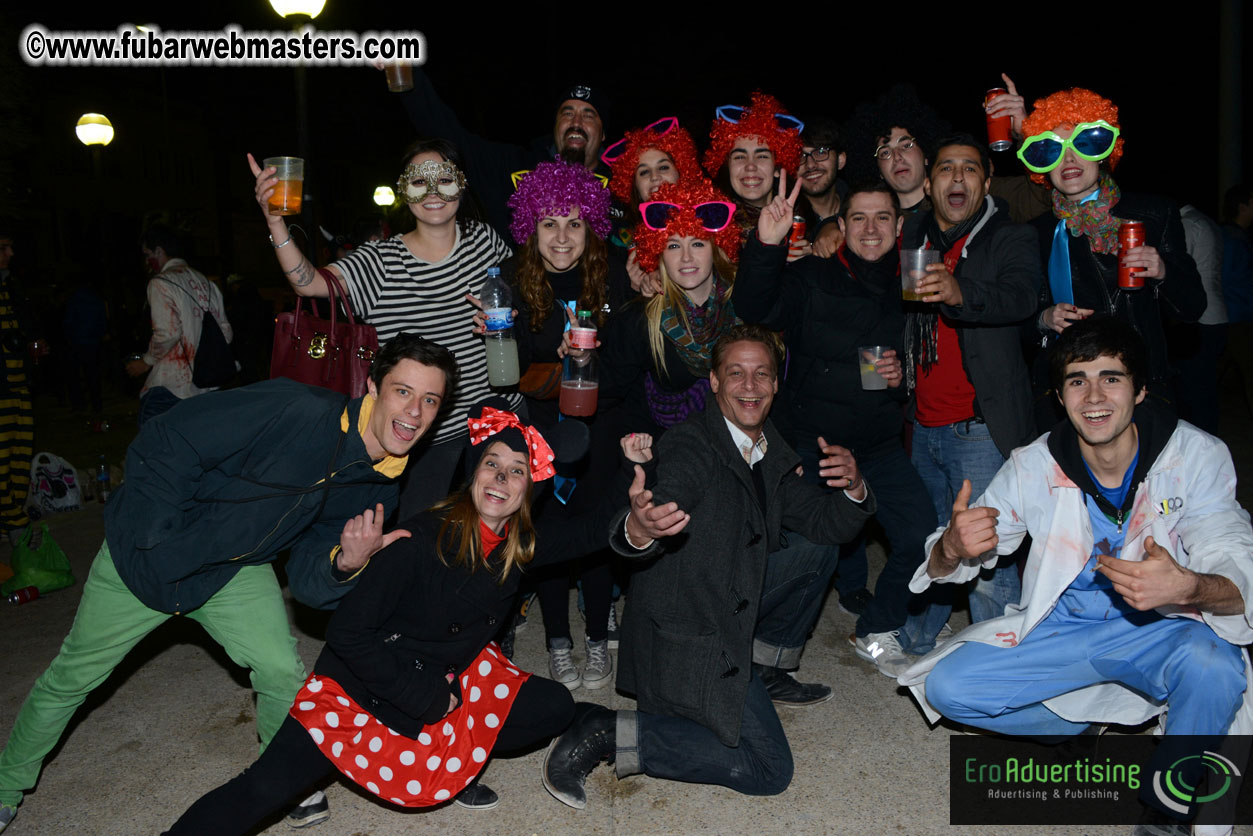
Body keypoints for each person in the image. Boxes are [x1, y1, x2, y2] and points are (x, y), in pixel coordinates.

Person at [0, 334, 459, 834]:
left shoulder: (379, 486)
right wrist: (160, 537)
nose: (414, 412)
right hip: (147, 558)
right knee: (71, 678)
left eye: (429, 400)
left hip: (236, 568)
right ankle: (5, 787)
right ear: (372, 385)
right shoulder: (297, 408)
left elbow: (308, 577)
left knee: (282, 668)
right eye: (403, 391)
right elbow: (169, 438)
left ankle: (279, 780)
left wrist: (342, 565)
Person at [162, 403, 654, 833]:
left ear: (529, 492)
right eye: (492, 464)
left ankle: (456, 764)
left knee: (553, 706)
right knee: (261, 789)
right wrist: (427, 700)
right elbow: (348, 635)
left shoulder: (517, 547)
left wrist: (626, 471)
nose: (501, 477)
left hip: (446, 673)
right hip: (361, 686)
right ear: (472, 474)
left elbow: (590, 531)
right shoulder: (419, 541)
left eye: (517, 470)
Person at [900, 317, 1253, 836]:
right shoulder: (1034, 464)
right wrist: (951, 548)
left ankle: (1167, 809)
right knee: (948, 689)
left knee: (1216, 666)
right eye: (1076, 379)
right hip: (1062, 632)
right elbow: (958, 547)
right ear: (1059, 395)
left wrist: (1189, 587)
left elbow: (1233, 554)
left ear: (1141, 389)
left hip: (1161, 630)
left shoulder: (1194, 456)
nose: (1093, 395)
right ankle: (1082, 723)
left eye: (1111, 377)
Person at [541, 324, 874, 807]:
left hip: (728, 604)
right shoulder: (691, 445)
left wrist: (855, 487)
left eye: (761, 374)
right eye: (735, 373)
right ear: (714, 383)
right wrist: (642, 527)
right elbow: (660, 502)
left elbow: (825, 524)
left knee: (815, 551)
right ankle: (605, 728)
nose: (750, 385)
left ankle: (762, 664)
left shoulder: (767, 446)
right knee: (769, 770)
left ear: (776, 384)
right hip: (689, 633)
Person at [250, 138, 521, 520]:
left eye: (444, 178)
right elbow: (309, 283)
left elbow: (525, 298)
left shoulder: (485, 240)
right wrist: (275, 220)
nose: (432, 192)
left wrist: (508, 313)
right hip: (425, 438)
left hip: (495, 421)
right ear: (403, 191)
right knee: (419, 542)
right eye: (418, 181)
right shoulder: (381, 261)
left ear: (461, 184)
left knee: (501, 538)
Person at [736, 178, 939, 675]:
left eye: (883, 218)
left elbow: (905, 361)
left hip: (878, 444)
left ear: (899, 225)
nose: (871, 229)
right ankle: (764, 652)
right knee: (810, 548)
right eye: (860, 218)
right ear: (842, 226)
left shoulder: (912, 281)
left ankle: (876, 628)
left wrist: (899, 379)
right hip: (814, 441)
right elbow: (753, 308)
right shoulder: (812, 275)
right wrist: (766, 244)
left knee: (920, 536)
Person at [898, 134, 1042, 649]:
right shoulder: (911, 235)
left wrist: (963, 293)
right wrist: (880, 378)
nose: (957, 178)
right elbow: (879, 311)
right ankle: (916, 641)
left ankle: (998, 665)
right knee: (936, 540)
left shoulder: (1010, 237)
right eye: (945, 169)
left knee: (988, 558)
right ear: (930, 182)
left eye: (969, 170)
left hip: (980, 428)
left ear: (985, 181)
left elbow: (1022, 296)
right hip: (921, 422)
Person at [502, 160, 630, 690]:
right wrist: (545, 352)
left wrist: (598, 351)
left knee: (598, 532)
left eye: (574, 223)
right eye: (549, 222)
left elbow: (632, 358)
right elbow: (507, 365)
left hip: (604, 423)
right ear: (531, 225)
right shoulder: (512, 279)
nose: (561, 236)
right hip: (545, 423)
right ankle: (558, 642)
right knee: (549, 536)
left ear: (592, 226)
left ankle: (598, 639)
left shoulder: (618, 272)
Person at [1022, 88, 1205, 422]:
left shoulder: (1152, 213)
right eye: (1054, 150)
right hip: (1070, 391)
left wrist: (1162, 271)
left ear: (1104, 152)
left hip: (1140, 388)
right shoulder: (1036, 231)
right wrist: (1042, 319)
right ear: (1042, 166)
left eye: (1083, 145)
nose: (1069, 160)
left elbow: (1193, 307)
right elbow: (1016, 318)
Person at [598, 177, 741, 440]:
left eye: (697, 243)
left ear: (716, 248)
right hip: (659, 452)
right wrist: (580, 360)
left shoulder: (741, 308)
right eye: (673, 245)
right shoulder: (640, 320)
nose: (686, 257)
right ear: (659, 254)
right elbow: (607, 397)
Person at [399, 74, 612, 238]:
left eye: (589, 115)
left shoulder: (621, 186)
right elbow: (449, 134)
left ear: (603, 134)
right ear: (555, 126)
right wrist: (411, 79)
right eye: (567, 113)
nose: (576, 122)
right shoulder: (512, 167)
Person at [126, 223, 233, 426]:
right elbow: (226, 332)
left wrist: (145, 362)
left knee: (151, 444)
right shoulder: (206, 282)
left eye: (147, 254)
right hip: (206, 383)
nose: (147, 261)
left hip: (172, 382)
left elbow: (167, 333)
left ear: (159, 251)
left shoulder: (161, 283)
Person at [602, 116, 704, 294]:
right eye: (644, 172)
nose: (655, 176)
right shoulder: (618, 240)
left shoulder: (707, 221)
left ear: (682, 172)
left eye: (663, 167)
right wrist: (628, 285)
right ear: (634, 187)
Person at [702, 92, 805, 253]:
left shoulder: (804, 224)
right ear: (728, 167)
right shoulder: (710, 230)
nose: (750, 166)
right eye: (740, 156)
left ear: (777, 168)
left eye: (762, 156)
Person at [0, 225, 35, 542]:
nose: (9, 254)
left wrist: (33, 345)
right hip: (2, 388)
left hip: (18, 383)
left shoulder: (12, 287)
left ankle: (12, 517)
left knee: (19, 456)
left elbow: (23, 330)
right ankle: (11, 521)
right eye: (3, 248)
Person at [795, 117, 848, 258]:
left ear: (840, 160)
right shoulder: (784, 221)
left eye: (820, 152)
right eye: (800, 156)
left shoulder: (863, 208)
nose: (811, 165)